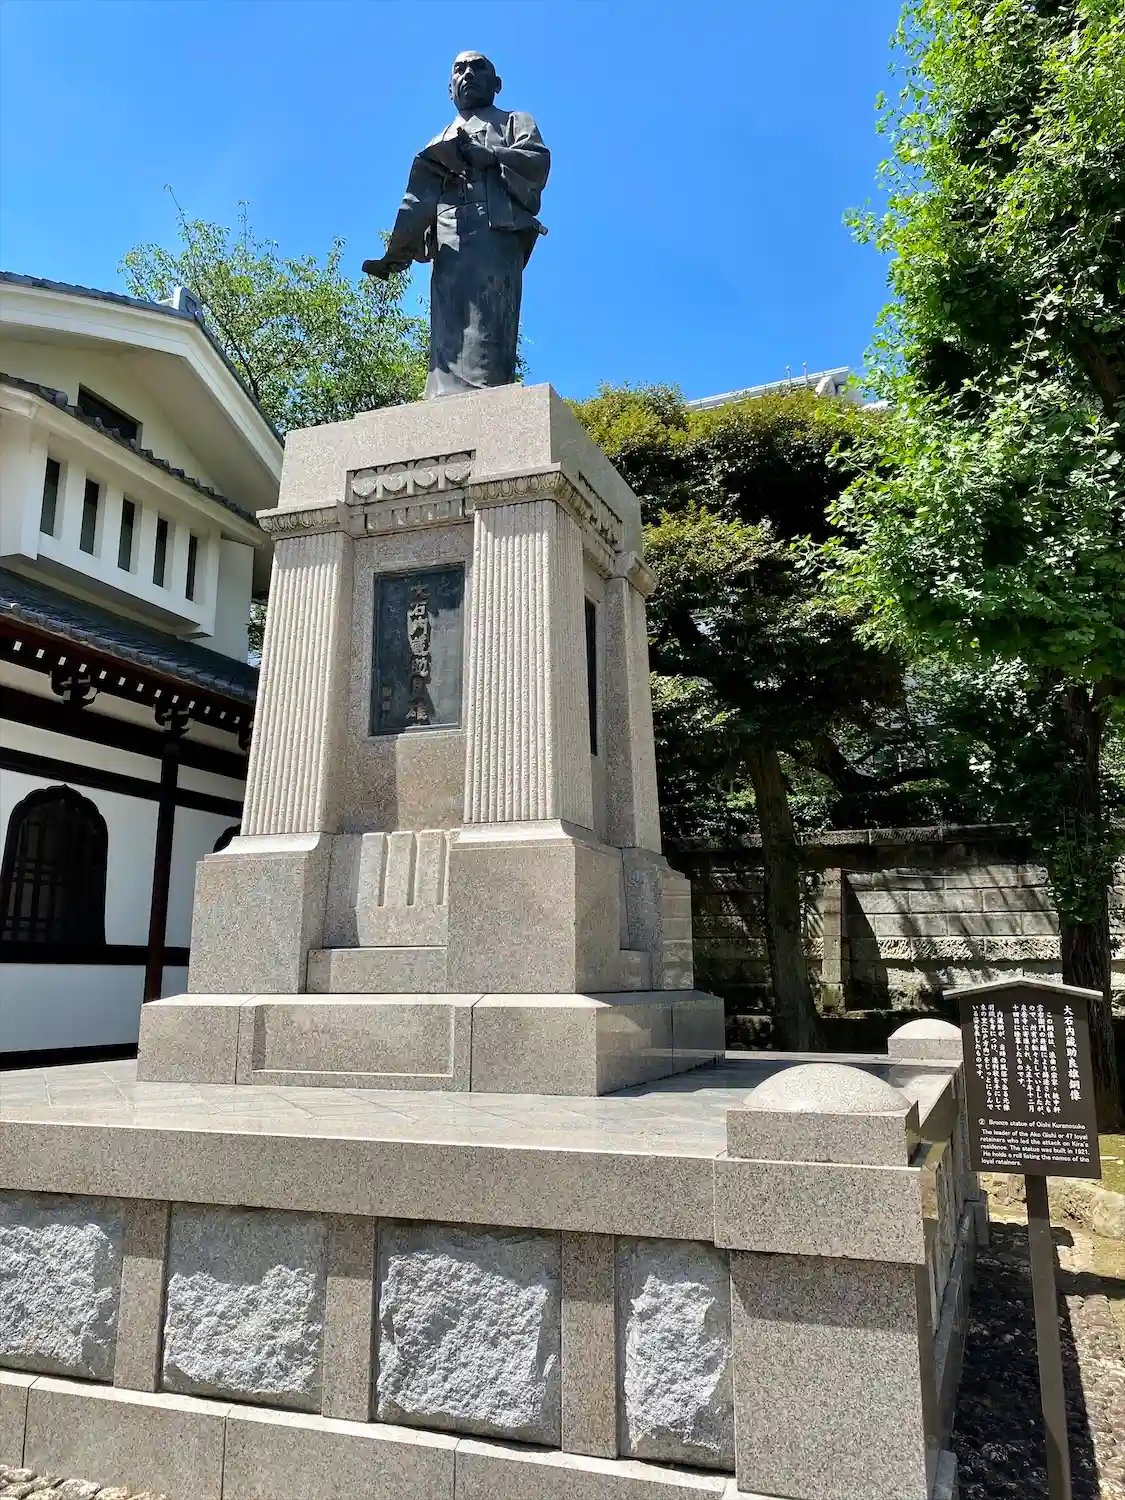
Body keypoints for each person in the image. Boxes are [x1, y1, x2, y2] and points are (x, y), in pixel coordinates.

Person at [363, 51, 550, 398]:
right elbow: (417, 201)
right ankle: (444, 398)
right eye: (459, 69)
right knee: (449, 327)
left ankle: (486, 398)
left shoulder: (513, 121)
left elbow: (537, 161)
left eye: (478, 68)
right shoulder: (439, 140)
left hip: (494, 231)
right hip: (448, 239)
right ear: (449, 88)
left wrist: (492, 156)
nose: (468, 74)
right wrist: (397, 251)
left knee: (487, 322)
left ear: (496, 84)